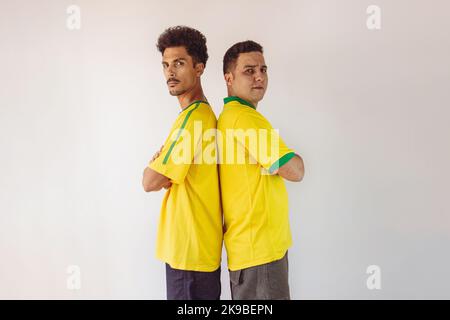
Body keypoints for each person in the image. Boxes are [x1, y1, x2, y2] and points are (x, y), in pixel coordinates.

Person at [218, 40, 305, 300]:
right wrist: (296, 158)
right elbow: (295, 170)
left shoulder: (230, 116)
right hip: (261, 255)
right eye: (249, 70)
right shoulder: (247, 120)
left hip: (252, 252)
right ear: (229, 78)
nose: (259, 77)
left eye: (263, 70)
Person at [142, 26, 222, 300]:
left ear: (199, 68)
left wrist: (157, 166)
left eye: (179, 63)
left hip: (189, 253)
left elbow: (149, 181)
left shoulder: (193, 119)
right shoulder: (200, 115)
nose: (170, 72)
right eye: (165, 65)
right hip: (198, 250)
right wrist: (161, 170)